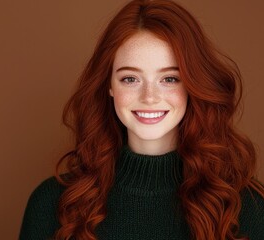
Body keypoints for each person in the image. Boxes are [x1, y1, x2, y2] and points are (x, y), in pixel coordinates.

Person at [19, 0, 264, 239]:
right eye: (130, 79)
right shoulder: (51, 204)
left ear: (192, 85)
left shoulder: (247, 207)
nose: (149, 97)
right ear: (109, 85)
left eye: (169, 79)